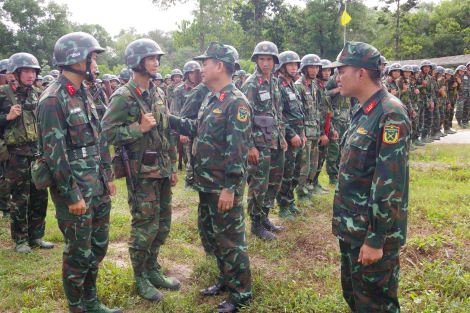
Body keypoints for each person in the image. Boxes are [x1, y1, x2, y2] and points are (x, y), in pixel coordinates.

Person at [37, 32, 121, 313]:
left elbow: (99, 139)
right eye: (92, 56)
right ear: (75, 59)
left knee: (97, 247)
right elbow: (54, 154)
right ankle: (77, 307)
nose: (95, 63)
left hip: (96, 186)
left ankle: (91, 301)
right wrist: (72, 195)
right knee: (78, 254)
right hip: (75, 192)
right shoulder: (52, 98)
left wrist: (107, 177)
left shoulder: (84, 92)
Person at [327, 41, 410, 313]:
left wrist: (375, 240)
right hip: (352, 228)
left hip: (372, 235)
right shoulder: (362, 110)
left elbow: (389, 184)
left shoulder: (390, 114)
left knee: (376, 305)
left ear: (361, 73)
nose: (337, 76)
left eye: (342, 70)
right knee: (355, 298)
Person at [169, 41, 252, 313]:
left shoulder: (236, 102)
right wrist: (167, 119)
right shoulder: (210, 97)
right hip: (206, 184)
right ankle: (225, 280)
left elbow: (237, 151)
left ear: (219, 66)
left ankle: (241, 294)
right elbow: (197, 128)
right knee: (213, 237)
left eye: (205, 63)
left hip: (222, 186)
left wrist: (230, 188)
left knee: (230, 240)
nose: (200, 68)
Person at [101, 38, 179, 303]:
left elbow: (167, 131)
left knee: (163, 224)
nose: (156, 63)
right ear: (137, 62)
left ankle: (152, 268)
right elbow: (106, 133)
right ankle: (140, 277)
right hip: (141, 173)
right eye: (150, 59)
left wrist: (173, 164)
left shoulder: (158, 92)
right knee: (145, 226)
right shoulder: (123, 96)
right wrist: (138, 129)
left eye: (157, 58)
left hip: (162, 170)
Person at [0, 53, 52, 254]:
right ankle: (20, 240)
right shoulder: (3, 94)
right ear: (15, 73)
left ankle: (36, 235)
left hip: (37, 153)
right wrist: (7, 116)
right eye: (26, 71)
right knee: (20, 197)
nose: (31, 75)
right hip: (15, 154)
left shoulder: (38, 93)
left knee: (40, 194)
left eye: (34, 71)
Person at [240, 41, 286, 240]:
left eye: (269, 59)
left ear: (275, 61)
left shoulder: (275, 82)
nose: (265, 63)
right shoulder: (251, 84)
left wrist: (282, 137)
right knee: (259, 183)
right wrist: (250, 146)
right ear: (256, 60)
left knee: (274, 181)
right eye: (262, 59)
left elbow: (278, 112)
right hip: (259, 143)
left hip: (274, 141)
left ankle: (265, 216)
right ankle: (256, 223)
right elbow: (244, 117)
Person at [275, 51, 305, 219]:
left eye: (296, 64)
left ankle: (290, 200)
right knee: (286, 172)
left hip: (298, 135)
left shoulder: (292, 84)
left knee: (295, 170)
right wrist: (291, 134)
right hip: (288, 137)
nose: (294, 67)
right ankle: (283, 206)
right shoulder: (279, 85)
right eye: (290, 64)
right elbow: (279, 115)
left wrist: (302, 133)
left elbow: (298, 111)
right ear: (282, 66)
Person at [294, 54, 322, 205]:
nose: (314, 70)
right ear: (304, 68)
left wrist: (319, 131)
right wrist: (301, 133)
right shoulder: (299, 86)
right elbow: (297, 112)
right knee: (304, 164)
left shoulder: (314, 85)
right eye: (311, 67)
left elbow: (316, 110)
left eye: (316, 67)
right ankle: (300, 192)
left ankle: (308, 187)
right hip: (305, 131)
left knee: (313, 162)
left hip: (314, 130)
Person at [171, 60, 201, 190]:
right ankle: (189, 181)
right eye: (190, 73)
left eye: (196, 73)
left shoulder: (203, 87)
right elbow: (176, 111)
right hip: (186, 124)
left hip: (200, 125)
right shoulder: (180, 90)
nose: (193, 75)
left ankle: (198, 180)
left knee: (199, 154)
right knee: (189, 155)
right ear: (186, 74)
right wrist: (182, 131)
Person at [455, 62, 470, 129]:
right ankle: (459, 121)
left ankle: (465, 121)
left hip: (468, 95)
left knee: (467, 109)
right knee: (459, 109)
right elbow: (456, 86)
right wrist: (457, 93)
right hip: (461, 95)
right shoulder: (461, 74)